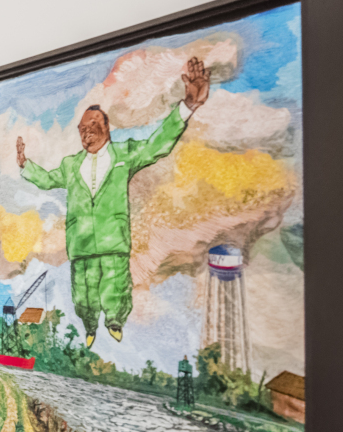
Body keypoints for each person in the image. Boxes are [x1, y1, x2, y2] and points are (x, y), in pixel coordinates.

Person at [16, 56, 210, 345]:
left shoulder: (125, 155)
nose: (86, 130)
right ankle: (90, 326)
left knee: (115, 290)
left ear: (107, 127)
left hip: (113, 244)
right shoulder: (71, 165)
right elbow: (47, 179)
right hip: (80, 247)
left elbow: (157, 144)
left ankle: (115, 321)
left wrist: (188, 106)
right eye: (82, 128)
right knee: (83, 295)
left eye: (93, 123)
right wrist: (24, 165)